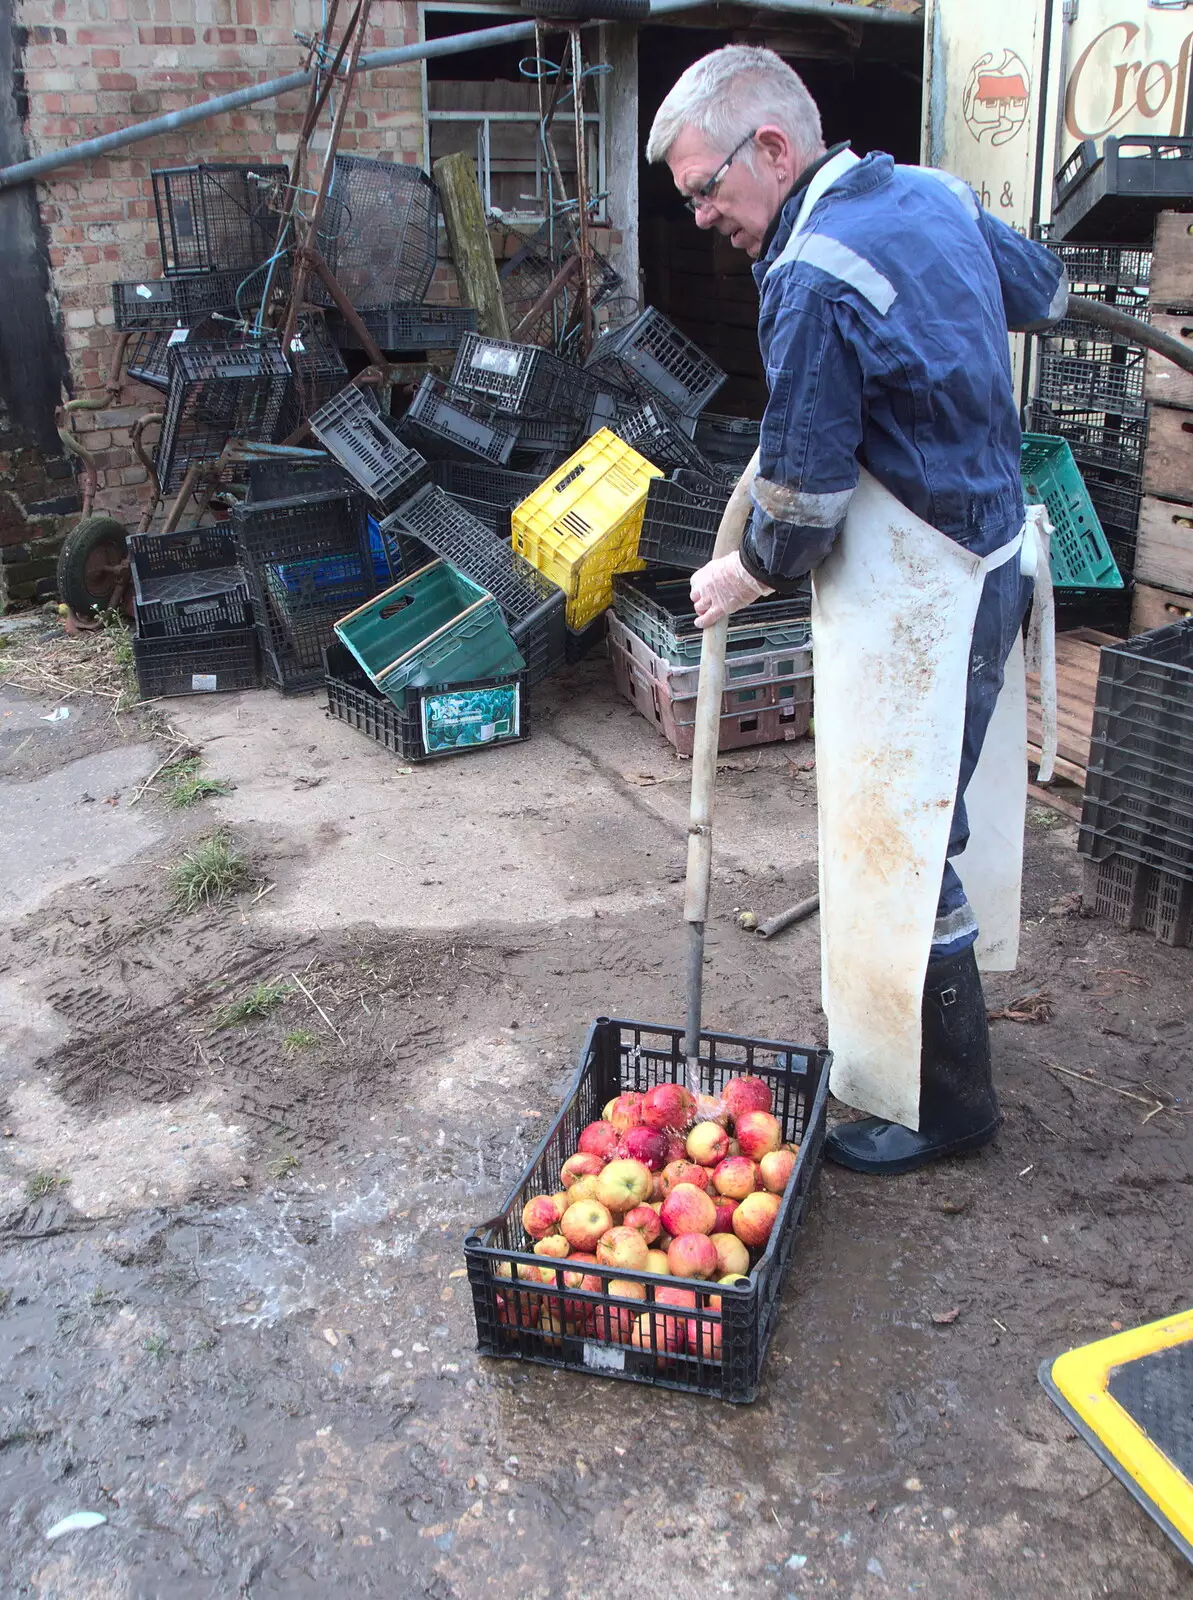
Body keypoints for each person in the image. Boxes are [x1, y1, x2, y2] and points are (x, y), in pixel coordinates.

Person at [646, 46, 1065, 1176]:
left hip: (914, 592)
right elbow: (1045, 290)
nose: (698, 217)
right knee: (927, 822)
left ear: (770, 149)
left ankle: (944, 1107)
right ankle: (929, 1047)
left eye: (703, 190)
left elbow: (806, 496)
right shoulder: (932, 196)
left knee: (897, 844)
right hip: (987, 561)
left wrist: (746, 569)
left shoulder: (809, 278)